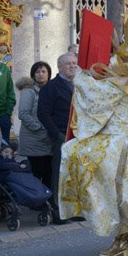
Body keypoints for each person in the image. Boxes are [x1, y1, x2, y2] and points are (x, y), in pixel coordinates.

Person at [58, 33, 128, 256]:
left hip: (118, 145)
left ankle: (121, 239)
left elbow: (92, 96)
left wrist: (81, 76)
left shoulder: (114, 86)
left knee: (112, 191)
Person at [38, 53, 77, 224]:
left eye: (74, 63)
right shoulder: (51, 87)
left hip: (79, 135)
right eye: (68, 63)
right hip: (61, 136)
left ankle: (73, 209)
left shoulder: (80, 85)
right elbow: (43, 114)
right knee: (60, 174)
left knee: (74, 173)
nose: (72, 66)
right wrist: (58, 135)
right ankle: (58, 211)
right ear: (60, 67)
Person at [16, 61, 54, 189]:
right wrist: (40, 127)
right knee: (37, 172)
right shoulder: (28, 91)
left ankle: (47, 197)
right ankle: (38, 198)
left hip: (48, 139)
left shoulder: (51, 89)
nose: (41, 74)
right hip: (33, 139)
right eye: (37, 72)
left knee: (49, 173)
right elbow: (23, 114)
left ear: (49, 74)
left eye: (43, 71)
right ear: (33, 75)